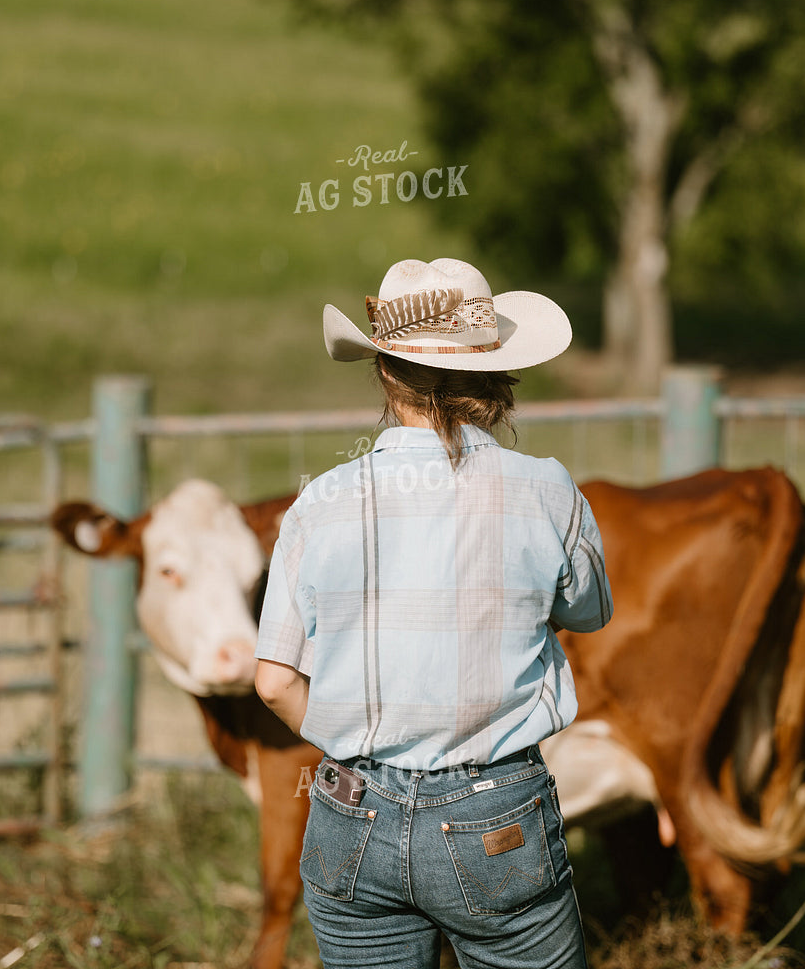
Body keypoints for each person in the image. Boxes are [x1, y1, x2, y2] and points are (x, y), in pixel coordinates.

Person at [254, 257, 613, 969]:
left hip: (350, 809)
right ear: (492, 377)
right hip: (494, 810)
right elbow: (589, 611)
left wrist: (353, 741)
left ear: (385, 373)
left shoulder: (318, 503)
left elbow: (272, 680)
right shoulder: (545, 491)